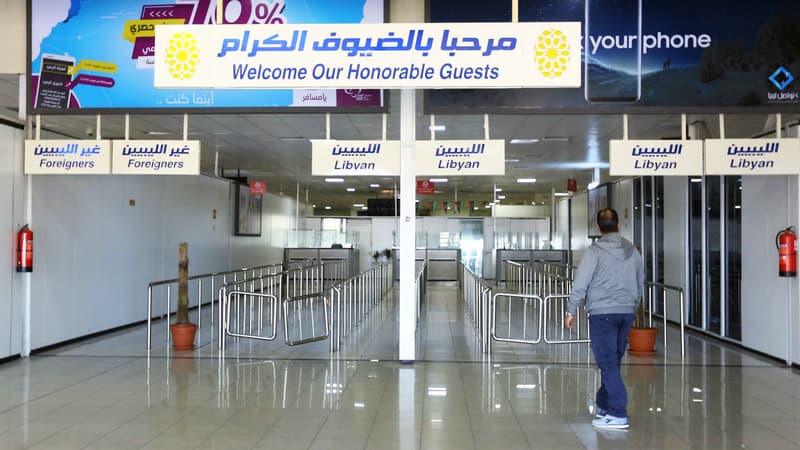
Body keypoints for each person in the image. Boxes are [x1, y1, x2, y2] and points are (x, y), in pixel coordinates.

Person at [565, 208, 644, 430]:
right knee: (613, 362)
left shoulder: (594, 252)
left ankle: (618, 413)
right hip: (626, 313)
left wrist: (571, 310)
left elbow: (581, 283)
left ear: (599, 228)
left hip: (602, 314)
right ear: (618, 226)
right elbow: (640, 281)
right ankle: (603, 405)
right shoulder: (633, 251)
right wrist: (634, 310)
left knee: (607, 362)